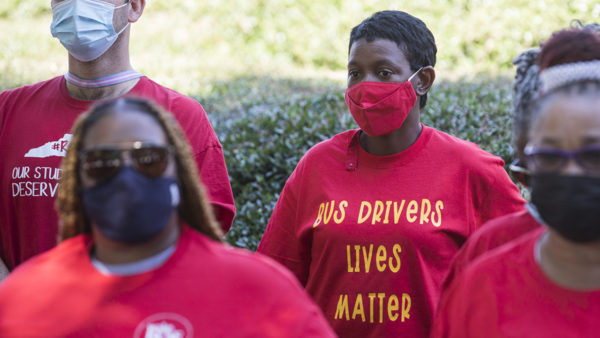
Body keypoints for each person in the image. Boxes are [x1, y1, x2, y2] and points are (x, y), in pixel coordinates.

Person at [256, 10, 524, 337]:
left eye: (384, 72)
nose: (366, 86)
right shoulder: (318, 165)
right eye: (355, 73)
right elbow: (274, 278)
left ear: (422, 80)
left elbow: (528, 267)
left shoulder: (471, 168)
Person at [0, 97, 335, 337]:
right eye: (103, 163)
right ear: (77, 183)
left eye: (149, 158)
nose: (126, 176)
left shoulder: (260, 290)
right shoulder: (23, 299)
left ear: (181, 174)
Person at [0, 0, 235, 273]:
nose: (77, 4)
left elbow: (201, 245)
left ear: (134, 6)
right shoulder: (7, 111)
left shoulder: (180, 116)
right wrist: (12, 300)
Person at [433, 27, 600, 337]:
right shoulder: (481, 288)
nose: (572, 172)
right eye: (551, 156)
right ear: (525, 165)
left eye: (594, 155)